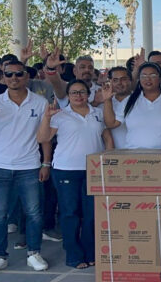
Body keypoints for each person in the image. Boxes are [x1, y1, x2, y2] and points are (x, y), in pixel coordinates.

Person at [37, 80, 113, 269]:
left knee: (91, 214)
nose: (78, 96)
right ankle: (73, 255)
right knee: (70, 213)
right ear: (68, 96)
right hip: (66, 169)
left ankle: (90, 252)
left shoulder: (97, 113)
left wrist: (108, 159)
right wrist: (46, 118)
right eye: (73, 93)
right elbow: (42, 138)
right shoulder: (59, 115)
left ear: (88, 94)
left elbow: (106, 137)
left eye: (82, 92)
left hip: (93, 170)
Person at [0, 60, 51, 275]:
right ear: (3, 77)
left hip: (30, 166)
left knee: (33, 213)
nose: (14, 78)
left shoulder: (40, 102)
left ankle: (33, 253)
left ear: (27, 77)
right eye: (9, 74)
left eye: (19, 73)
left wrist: (46, 163)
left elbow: (45, 138)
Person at [102, 62, 161, 149]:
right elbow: (111, 124)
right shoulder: (129, 101)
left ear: (160, 79)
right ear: (139, 80)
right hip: (135, 158)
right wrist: (107, 100)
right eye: (143, 76)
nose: (148, 79)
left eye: (152, 75)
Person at [105, 67, 132, 149]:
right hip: (112, 155)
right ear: (110, 82)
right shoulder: (104, 102)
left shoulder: (139, 100)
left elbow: (111, 124)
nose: (119, 83)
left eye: (123, 79)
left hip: (135, 152)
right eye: (115, 80)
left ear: (130, 80)